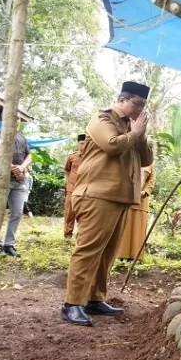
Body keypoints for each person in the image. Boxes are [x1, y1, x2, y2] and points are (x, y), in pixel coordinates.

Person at [62, 81, 152, 326]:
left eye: (144, 106)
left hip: (121, 197)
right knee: (89, 249)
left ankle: (94, 298)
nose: (141, 110)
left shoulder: (131, 126)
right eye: (138, 104)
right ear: (122, 99)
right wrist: (134, 134)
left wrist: (140, 135)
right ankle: (72, 303)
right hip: (97, 195)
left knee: (108, 252)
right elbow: (112, 146)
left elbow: (146, 160)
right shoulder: (102, 119)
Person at [0, 119, 31, 258]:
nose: (16, 120)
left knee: (17, 213)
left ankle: (9, 244)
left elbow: (29, 155)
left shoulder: (22, 137)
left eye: (18, 118)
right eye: (15, 117)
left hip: (19, 181)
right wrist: (14, 168)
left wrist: (22, 168)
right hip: (1, 179)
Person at [117, 164, 155, 262]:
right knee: (125, 229)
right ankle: (122, 255)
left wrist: (145, 192)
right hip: (127, 201)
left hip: (141, 203)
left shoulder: (150, 164)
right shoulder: (129, 159)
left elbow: (151, 181)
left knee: (138, 230)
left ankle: (136, 257)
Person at [63, 134, 86, 242]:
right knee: (69, 212)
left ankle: (81, 235)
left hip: (85, 189)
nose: (83, 145)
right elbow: (67, 170)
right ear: (77, 144)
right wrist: (70, 182)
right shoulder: (72, 156)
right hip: (71, 188)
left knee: (83, 212)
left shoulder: (90, 157)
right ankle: (67, 235)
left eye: (85, 143)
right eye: (81, 143)